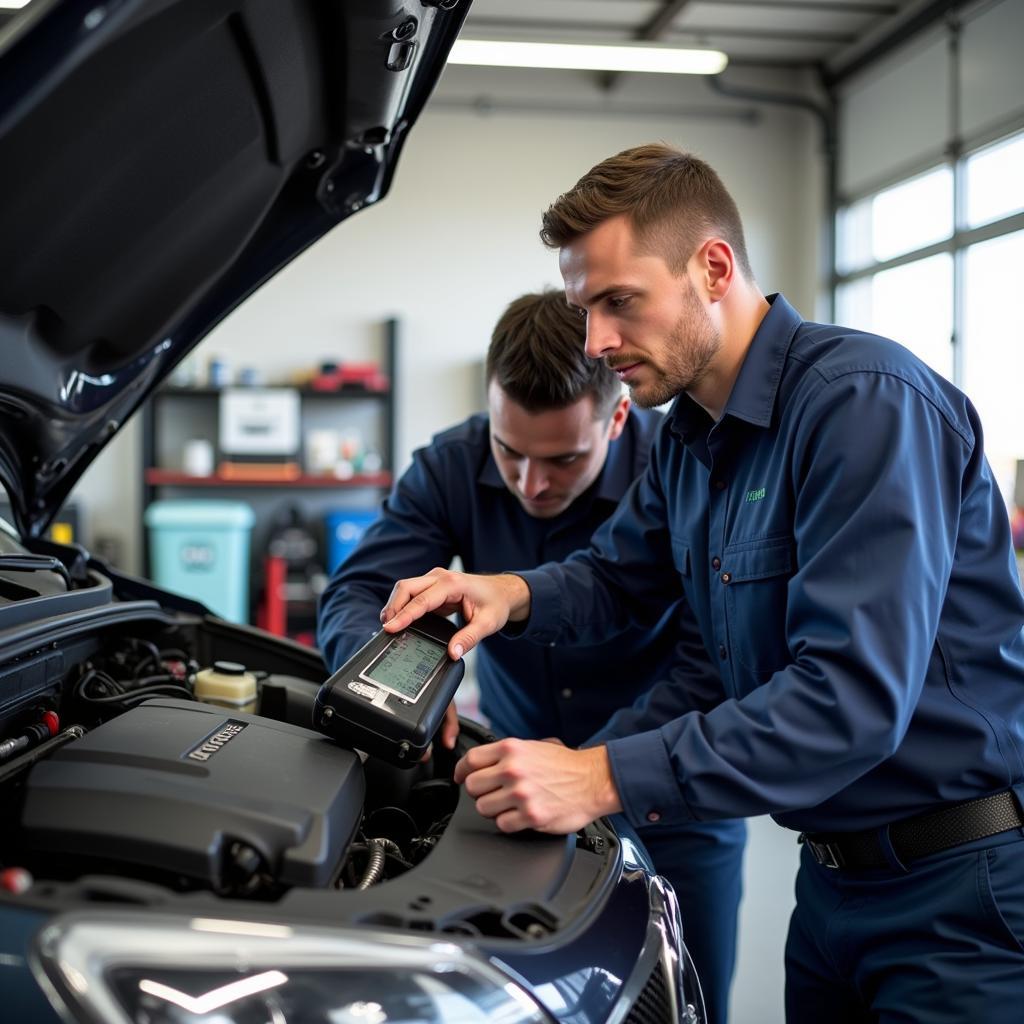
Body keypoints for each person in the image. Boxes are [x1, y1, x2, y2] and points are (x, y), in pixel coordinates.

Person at [378, 144, 1024, 1022]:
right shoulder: (693, 437)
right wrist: (508, 594)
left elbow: (848, 699)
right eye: (584, 309)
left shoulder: (862, 404)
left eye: (619, 303)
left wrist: (601, 775)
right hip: (834, 882)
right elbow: (616, 578)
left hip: (959, 893)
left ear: (711, 268)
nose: (598, 343)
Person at [317, 290, 746, 1024]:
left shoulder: (681, 475)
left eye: (563, 459)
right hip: (508, 788)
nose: (530, 483)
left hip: (669, 791)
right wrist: (399, 684)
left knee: (680, 1003)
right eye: (509, 451)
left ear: (617, 416)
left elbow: (711, 663)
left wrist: (592, 770)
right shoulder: (450, 464)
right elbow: (360, 591)